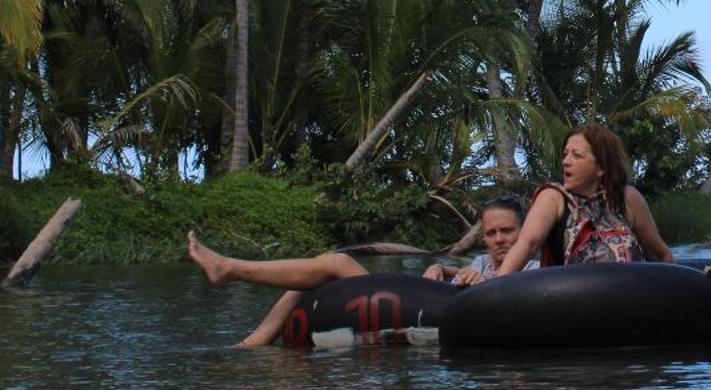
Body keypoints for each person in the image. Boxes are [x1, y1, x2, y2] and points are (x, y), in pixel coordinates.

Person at [187, 195, 530, 348]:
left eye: (507, 232)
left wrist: (486, 283)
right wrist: (440, 268)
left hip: (457, 320)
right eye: (491, 233)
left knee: (335, 264)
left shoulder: (534, 265)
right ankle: (254, 341)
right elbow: (451, 284)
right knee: (321, 274)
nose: (498, 240)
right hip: (425, 309)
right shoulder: (480, 263)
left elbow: (526, 297)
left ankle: (231, 268)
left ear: (524, 232)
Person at [492, 123, 675, 272]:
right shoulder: (553, 198)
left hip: (628, 302)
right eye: (565, 155)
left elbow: (659, 255)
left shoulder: (627, 198)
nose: (566, 161)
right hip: (573, 306)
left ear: (601, 166)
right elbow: (527, 244)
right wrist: (496, 287)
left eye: (576, 155)